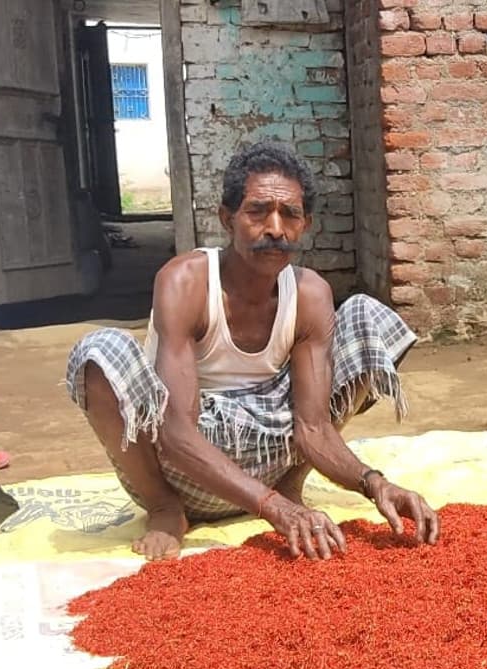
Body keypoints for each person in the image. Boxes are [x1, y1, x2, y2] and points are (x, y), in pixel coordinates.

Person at [66, 142, 438, 561]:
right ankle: (164, 510)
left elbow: (312, 429)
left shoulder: (309, 293)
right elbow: (175, 435)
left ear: (305, 224)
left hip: (271, 458)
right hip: (183, 477)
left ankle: (290, 485)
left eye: (290, 214)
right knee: (100, 350)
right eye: (258, 212)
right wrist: (271, 509)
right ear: (228, 219)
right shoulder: (186, 281)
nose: (275, 228)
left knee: (365, 316)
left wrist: (376, 484)